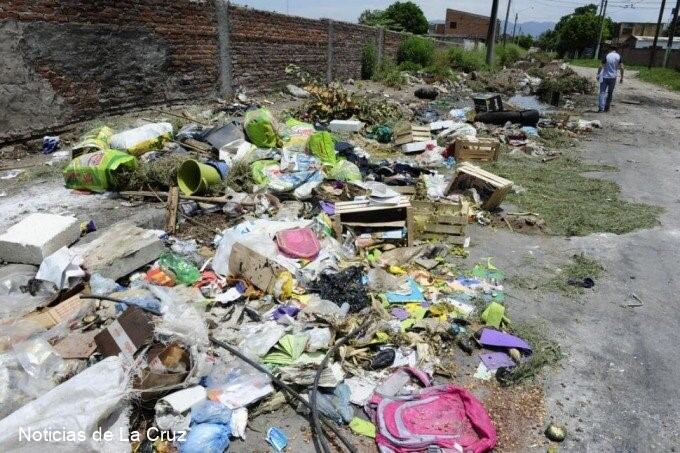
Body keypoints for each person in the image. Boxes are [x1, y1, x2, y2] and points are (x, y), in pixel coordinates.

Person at [596, 47, 624, 113]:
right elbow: (622, 67)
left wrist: (598, 74)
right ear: (615, 50)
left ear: (610, 50)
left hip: (604, 77)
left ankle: (601, 108)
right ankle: (607, 107)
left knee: (602, 92)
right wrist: (622, 77)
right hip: (613, 77)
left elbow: (600, 66)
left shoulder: (606, 55)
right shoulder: (619, 56)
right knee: (610, 93)